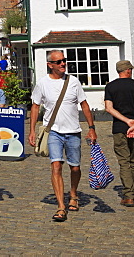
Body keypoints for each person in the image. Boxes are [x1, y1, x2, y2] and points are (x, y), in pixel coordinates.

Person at [28, 50, 97, 221]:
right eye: (58, 62)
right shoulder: (42, 83)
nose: (62, 64)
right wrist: (32, 130)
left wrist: (91, 127)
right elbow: (35, 106)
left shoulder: (73, 82)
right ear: (50, 65)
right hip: (53, 132)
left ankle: (73, 194)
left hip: (73, 131)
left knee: (75, 167)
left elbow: (85, 104)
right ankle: (61, 206)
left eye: (64, 61)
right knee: (56, 166)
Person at [104, 60, 134, 207]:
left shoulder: (110, 87)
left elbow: (109, 108)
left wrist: (126, 122)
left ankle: (128, 196)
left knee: (124, 162)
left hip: (119, 128)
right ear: (128, 70)